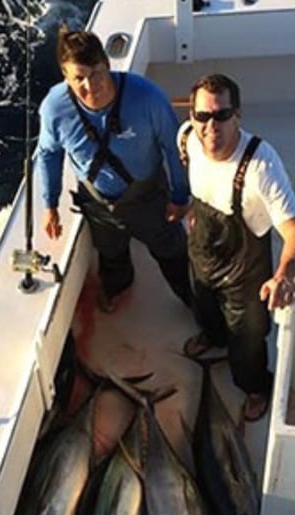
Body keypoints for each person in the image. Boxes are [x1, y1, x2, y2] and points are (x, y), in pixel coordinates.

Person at [179, 74, 295, 423]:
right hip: (202, 253)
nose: (211, 126)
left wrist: (283, 276)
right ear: (192, 116)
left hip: (245, 272)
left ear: (238, 114)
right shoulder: (187, 138)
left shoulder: (260, 165)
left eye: (221, 115)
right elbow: (195, 179)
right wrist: (189, 208)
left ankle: (255, 388)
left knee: (248, 341)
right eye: (203, 116)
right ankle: (211, 336)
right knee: (203, 306)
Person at [37, 28, 190, 313]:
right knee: (111, 254)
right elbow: (48, 153)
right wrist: (50, 204)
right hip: (98, 203)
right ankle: (119, 288)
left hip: (148, 196)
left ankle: (194, 300)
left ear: (107, 64)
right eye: (78, 78)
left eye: (95, 73)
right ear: (65, 77)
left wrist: (181, 196)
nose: (89, 85)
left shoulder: (148, 98)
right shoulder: (54, 108)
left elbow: (174, 148)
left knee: (172, 252)